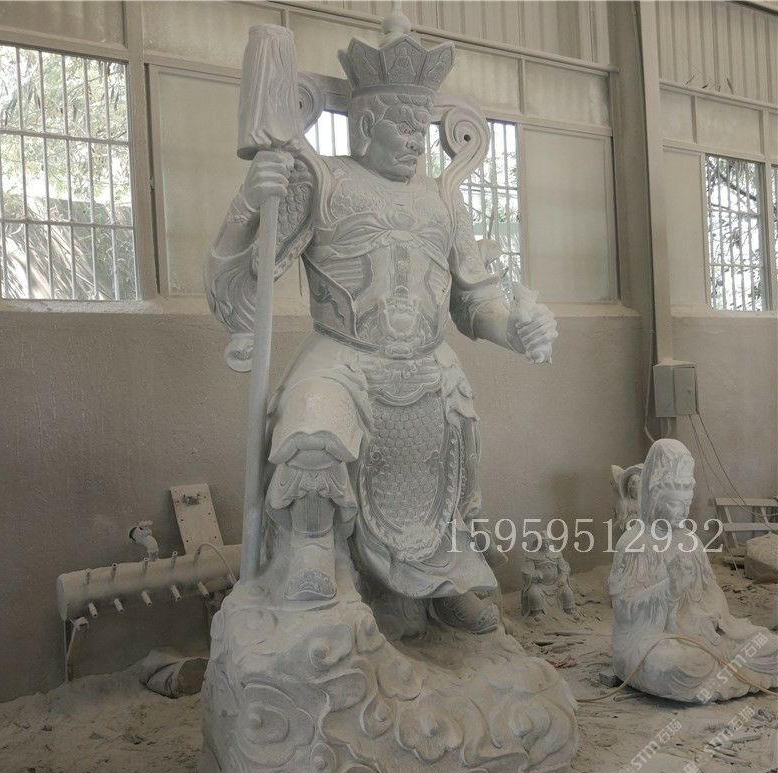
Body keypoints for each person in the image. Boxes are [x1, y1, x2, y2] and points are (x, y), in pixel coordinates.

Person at [205, 13, 557, 634]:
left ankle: (441, 582)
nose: (419, 140)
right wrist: (248, 201)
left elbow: (475, 302)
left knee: (454, 424)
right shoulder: (322, 180)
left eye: (423, 127)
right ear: (366, 125)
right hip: (343, 353)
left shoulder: (443, 198)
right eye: (405, 126)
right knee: (311, 423)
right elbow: (250, 277)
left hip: (428, 359)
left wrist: (517, 331)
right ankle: (314, 557)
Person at [609, 439, 778, 702]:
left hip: (706, 634)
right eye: (675, 504)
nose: (683, 512)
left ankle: (721, 668)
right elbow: (624, 610)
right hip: (656, 640)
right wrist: (668, 590)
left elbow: (712, 593)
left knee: (769, 646)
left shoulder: (691, 541)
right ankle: (715, 670)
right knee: (680, 666)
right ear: (654, 499)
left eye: (687, 504)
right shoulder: (633, 543)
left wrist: (711, 616)